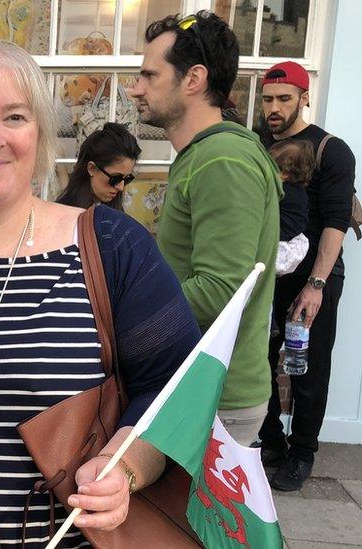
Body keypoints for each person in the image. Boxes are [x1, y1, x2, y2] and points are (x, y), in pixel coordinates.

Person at [0, 37, 200, 547]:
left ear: (40, 134)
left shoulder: (113, 248)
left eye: (15, 117)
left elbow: (175, 389)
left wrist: (126, 468)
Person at [129, 11, 282, 445]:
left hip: (216, 398)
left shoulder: (223, 161)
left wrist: (124, 306)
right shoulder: (205, 155)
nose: (136, 88)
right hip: (200, 388)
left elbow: (221, 291)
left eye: (149, 75)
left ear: (193, 79)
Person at [258, 60, 357, 491]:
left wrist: (316, 285)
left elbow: (336, 219)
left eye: (283, 98)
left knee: (308, 369)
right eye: (267, 99)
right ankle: (271, 442)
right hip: (268, 275)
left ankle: (302, 453)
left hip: (314, 277)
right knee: (256, 362)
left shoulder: (331, 149)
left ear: (304, 96)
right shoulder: (257, 143)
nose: (274, 107)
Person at [56, 122, 141, 211]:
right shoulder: (65, 212)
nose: (120, 187)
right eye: (116, 178)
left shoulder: (115, 209)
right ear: (91, 168)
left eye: (127, 179)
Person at [268, 140, 313, 277]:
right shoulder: (299, 191)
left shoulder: (282, 190)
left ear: (284, 174)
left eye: (270, 168)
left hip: (284, 238)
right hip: (292, 236)